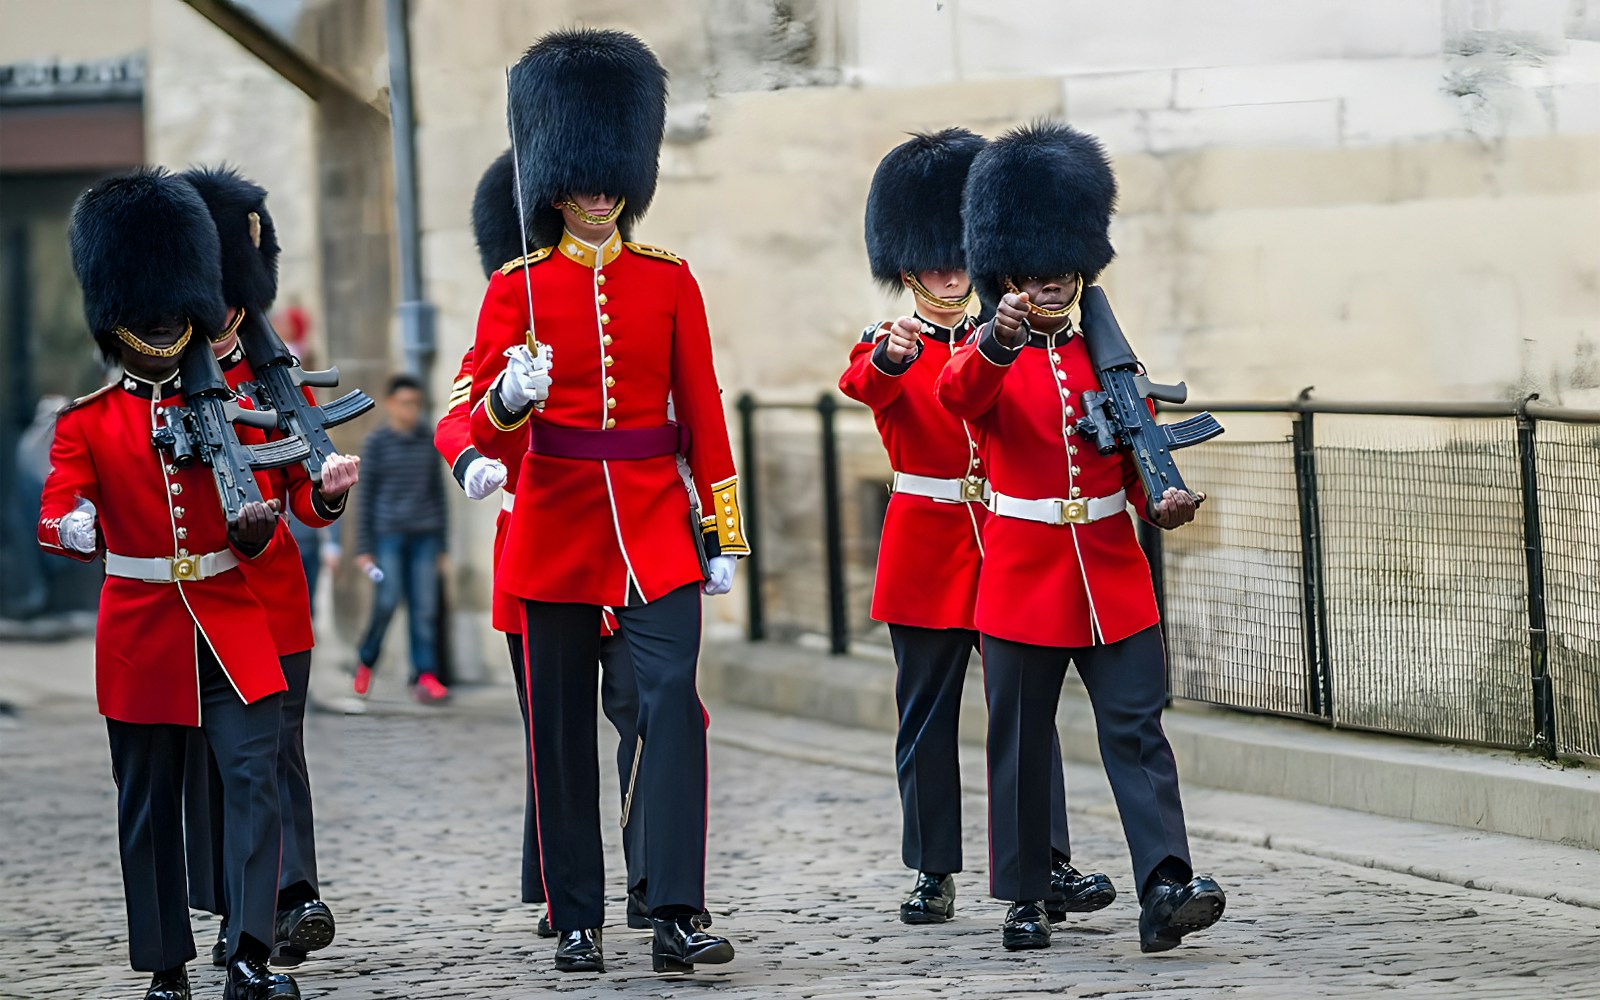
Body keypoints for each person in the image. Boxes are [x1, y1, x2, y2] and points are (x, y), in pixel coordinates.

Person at [468, 28, 745, 975]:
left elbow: (701, 409)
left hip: (656, 529)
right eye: (583, 178)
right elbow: (476, 422)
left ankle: (674, 907)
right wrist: (509, 403)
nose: (599, 192)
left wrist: (723, 529)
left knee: (672, 707)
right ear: (556, 181)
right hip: (553, 524)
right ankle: (576, 913)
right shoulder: (518, 290)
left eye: (611, 176)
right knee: (559, 734)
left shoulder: (669, 280)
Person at [39, 167, 344, 1000]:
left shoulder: (236, 405)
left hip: (230, 619)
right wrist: (72, 529)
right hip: (142, 633)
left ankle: (250, 952)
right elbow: (60, 506)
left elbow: (273, 497)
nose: (169, 325)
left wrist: (276, 515)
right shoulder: (88, 421)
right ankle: (165, 966)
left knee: (253, 781)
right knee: (150, 806)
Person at [937, 121, 1227, 953]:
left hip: (1111, 570)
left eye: (1064, 268)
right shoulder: (987, 348)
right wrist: (997, 337)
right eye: (1036, 270)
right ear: (1008, 270)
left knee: (1139, 732)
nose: (1053, 283)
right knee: (1023, 743)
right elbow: (960, 397)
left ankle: (1165, 883)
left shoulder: (1108, 358)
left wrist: (1160, 498)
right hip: (1024, 574)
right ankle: (1029, 891)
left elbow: (1131, 448)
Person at [840, 128, 1114, 928]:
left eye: (958, 257)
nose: (950, 274)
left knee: (1024, 720)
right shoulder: (890, 342)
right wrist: (892, 359)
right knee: (926, 718)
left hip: (1007, 545)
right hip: (927, 547)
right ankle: (932, 869)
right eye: (932, 263)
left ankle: (1048, 861)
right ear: (905, 269)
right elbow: (865, 381)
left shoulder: (1015, 335)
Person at [431, 148, 649, 936]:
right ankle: (563, 891)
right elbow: (458, 419)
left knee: (648, 719)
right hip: (542, 549)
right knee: (552, 740)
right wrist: (502, 406)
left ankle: (651, 880)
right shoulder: (507, 314)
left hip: (625, 555)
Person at [178, 166, 359, 971]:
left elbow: (303, 498)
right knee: (216, 766)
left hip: (276, 600)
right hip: (202, 601)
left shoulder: (272, 376)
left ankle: (294, 897)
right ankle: (239, 906)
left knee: (278, 750)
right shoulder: (168, 386)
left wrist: (328, 494)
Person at [353, 373, 449, 703]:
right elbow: (364, 498)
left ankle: (425, 675)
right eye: (405, 403)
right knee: (387, 600)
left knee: (424, 607)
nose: (411, 410)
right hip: (388, 536)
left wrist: (443, 547)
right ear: (392, 404)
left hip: (425, 536)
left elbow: (438, 494)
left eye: (416, 404)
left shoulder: (427, 439)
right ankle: (366, 661)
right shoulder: (377, 442)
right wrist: (364, 549)